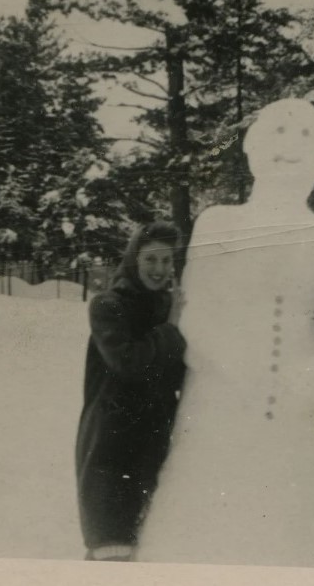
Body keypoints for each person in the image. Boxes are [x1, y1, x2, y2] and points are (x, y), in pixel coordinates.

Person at [136, 98, 314, 568]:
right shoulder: (218, 223)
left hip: (303, 417)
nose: (290, 148)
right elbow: (194, 315)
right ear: (253, 148)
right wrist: (235, 373)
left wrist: (312, 380)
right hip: (220, 408)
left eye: (306, 136)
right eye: (279, 133)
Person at [74, 221, 187, 562]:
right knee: (112, 550)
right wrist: (170, 328)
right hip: (113, 446)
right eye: (151, 259)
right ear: (134, 259)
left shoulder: (167, 307)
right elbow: (130, 363)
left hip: (152, 447)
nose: (159, 270)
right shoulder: (108, 305)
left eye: (167, 261)